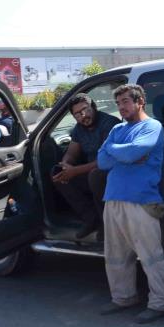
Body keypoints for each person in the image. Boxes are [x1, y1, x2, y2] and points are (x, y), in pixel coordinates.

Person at [97, 84, 164, 324]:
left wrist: (116, 151)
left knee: (150, 256)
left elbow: (130, 154)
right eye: (118, 103)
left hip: (141, 201)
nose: (121, 108)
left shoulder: (152, 127)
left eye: (126, 102)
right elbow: (101, 161)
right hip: (113, 199)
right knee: (116, 255)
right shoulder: (117, 129)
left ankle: (161, 303)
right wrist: (121, 151)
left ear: (140, 102)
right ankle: (123, 298)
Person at [51, 93, 119, 240]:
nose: (83, 115)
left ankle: (106, 224)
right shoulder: (79, 128)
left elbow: (107, 160)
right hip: (90, 172)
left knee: (96, 176)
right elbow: (72, 152)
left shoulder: (109, 124)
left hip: (111, 173)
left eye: (85, 109)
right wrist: (65, 165)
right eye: (77, 114)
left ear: (93, 107)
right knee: (57, 174)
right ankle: (91, 219)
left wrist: (74, 171)